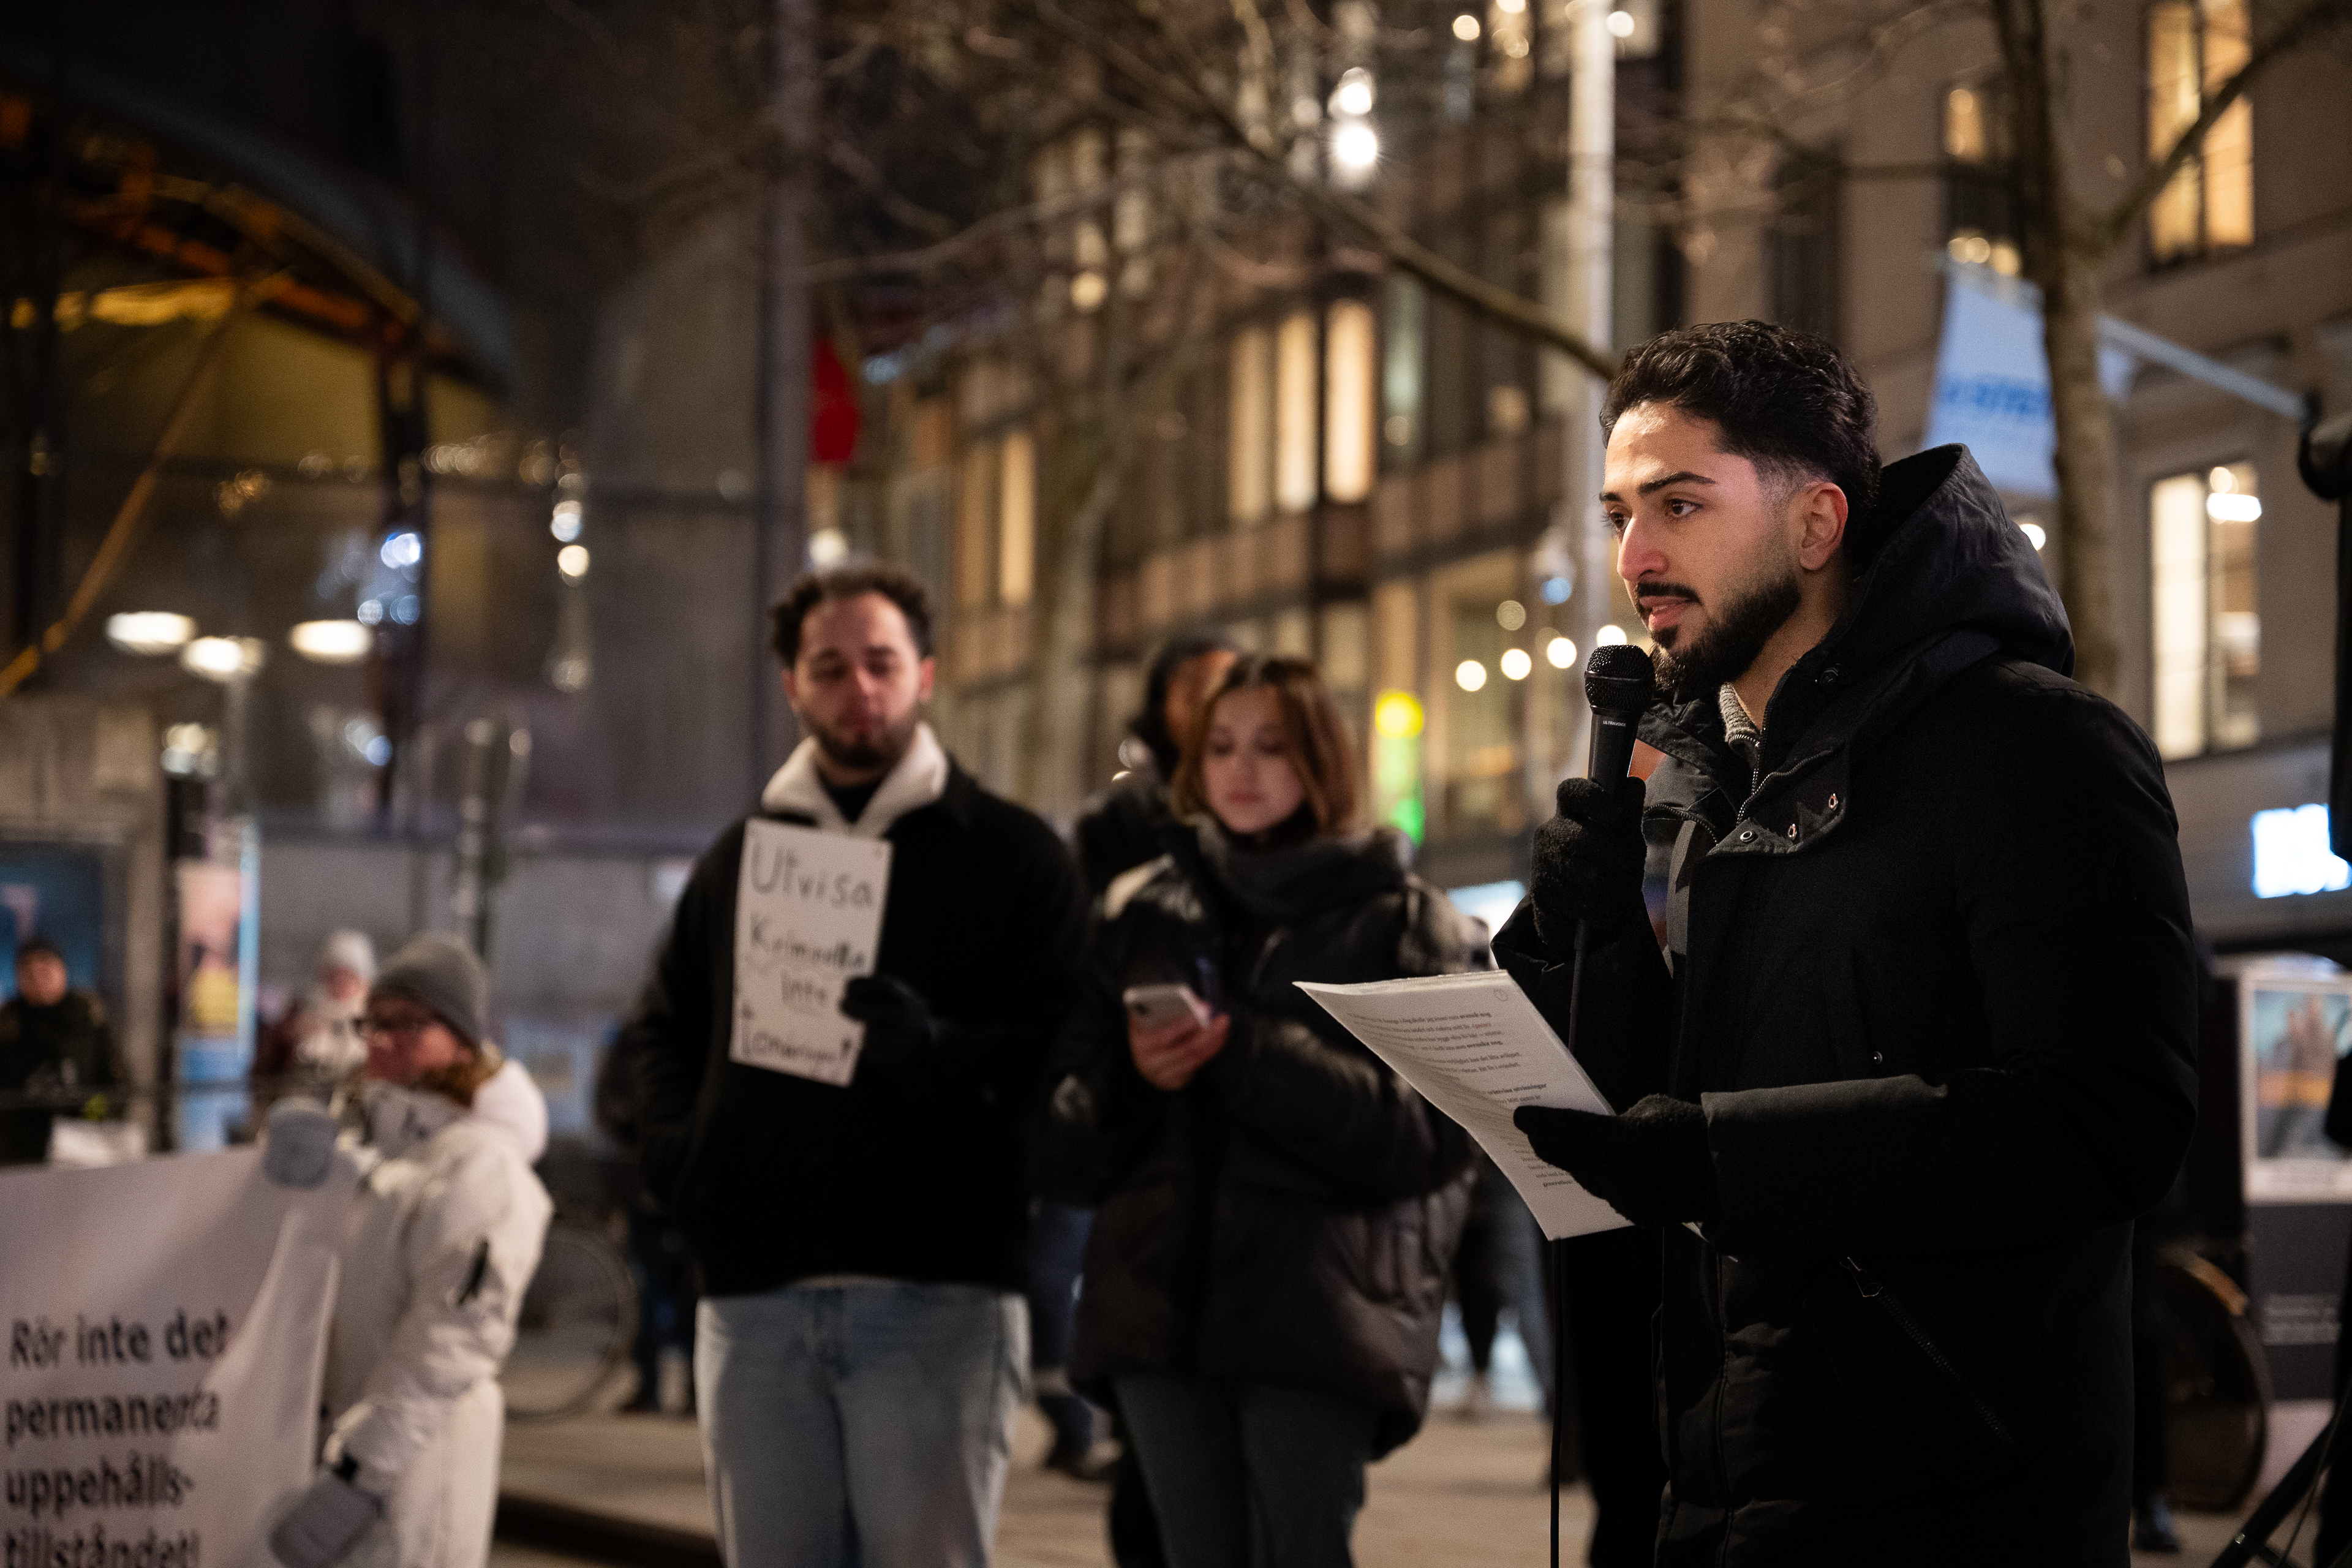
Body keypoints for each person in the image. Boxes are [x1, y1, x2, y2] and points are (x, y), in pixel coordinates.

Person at [1497, 320, 2197, 1565]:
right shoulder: (1730, 789)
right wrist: (1583, 934)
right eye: (1619, 514)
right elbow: (1674, 1111)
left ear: (1817, 523)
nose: (1637, 556)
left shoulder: (2034, 748)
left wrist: (1724, 1159)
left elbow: (2109, 1122)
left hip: (1952, 1504)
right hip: (1730, 1486)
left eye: (1680, 503)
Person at [623, 562, 1088, 1568]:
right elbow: (661, 1033)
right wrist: (684, 1161)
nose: (858, 688)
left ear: (925, 674)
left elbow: (1065, 1051)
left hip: (938, 1298)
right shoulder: (738, 860)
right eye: (829, 667)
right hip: (753, 1298)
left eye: (881, 663)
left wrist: (938, 1050)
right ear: (792, 687)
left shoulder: (1015, 857)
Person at [1049, 653, 1484, 1568]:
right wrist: (1140, 1076)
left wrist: (1243, 1050)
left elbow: (1435, 1133)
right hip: (1159, 1321)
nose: (1241, 770)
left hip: (1315, 1325)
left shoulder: (1407, 921)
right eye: (1220, 747)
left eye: (1271, 747)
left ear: (1322, 760)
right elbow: (1065, 1139)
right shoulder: (1149, 912)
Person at [265, 932, 553, 1568]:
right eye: (376, 1021)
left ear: (462, 1039)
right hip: (353, 1452)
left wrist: (358, 1475)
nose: (382, 1039)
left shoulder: (482, 1168)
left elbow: (447, 1347)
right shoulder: (392, 1154)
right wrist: (287, 1186)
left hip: (414, 1472)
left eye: (410, 1024)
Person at [1055, 631, 1237, 1513]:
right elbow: (1083, 975)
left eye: (1229, 687)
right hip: (1143, 1103)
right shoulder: (1116, 826)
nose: (1210, 706)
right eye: (1193, 688)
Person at [1077, 631, 1238, 896]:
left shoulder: (1268, 809)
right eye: (1196, 696)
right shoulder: (1116, 822)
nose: (1213, 711)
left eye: (1227, 693)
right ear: (1161, 708)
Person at [0, 934, 125, 1166]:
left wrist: (94, 1116)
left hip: (82, 1147)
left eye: (46, 971)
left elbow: (116, 1079)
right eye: (29, 974)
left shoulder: (86, 1016)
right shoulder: (9, 1023)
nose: (38, 981)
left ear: (62, 971)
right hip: (22, 1151)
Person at [255, 930, 376, 1101]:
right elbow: (262, 1076)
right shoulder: (298, 1017)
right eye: (334, 977)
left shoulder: (377, 1024)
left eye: (349, 978)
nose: (341, 986)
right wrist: (289, 1038)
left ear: (364, 982)